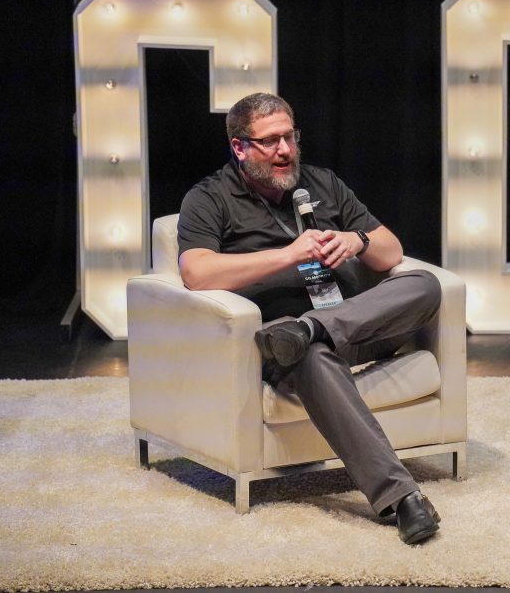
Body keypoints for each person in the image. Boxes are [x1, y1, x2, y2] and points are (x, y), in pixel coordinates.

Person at [177, 92, 443, 544]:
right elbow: (196, 272)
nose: (285, 150)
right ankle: (403, 500)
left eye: (290, 137)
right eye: (270, 141)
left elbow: (391, 252)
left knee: (425, 285)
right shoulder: (210, 197)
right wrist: (287, 255)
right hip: (279, 341)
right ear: (239, 147)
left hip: (352, 323)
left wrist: (357, 241)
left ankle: (312, 329)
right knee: (309, 356)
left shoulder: (322, 183)